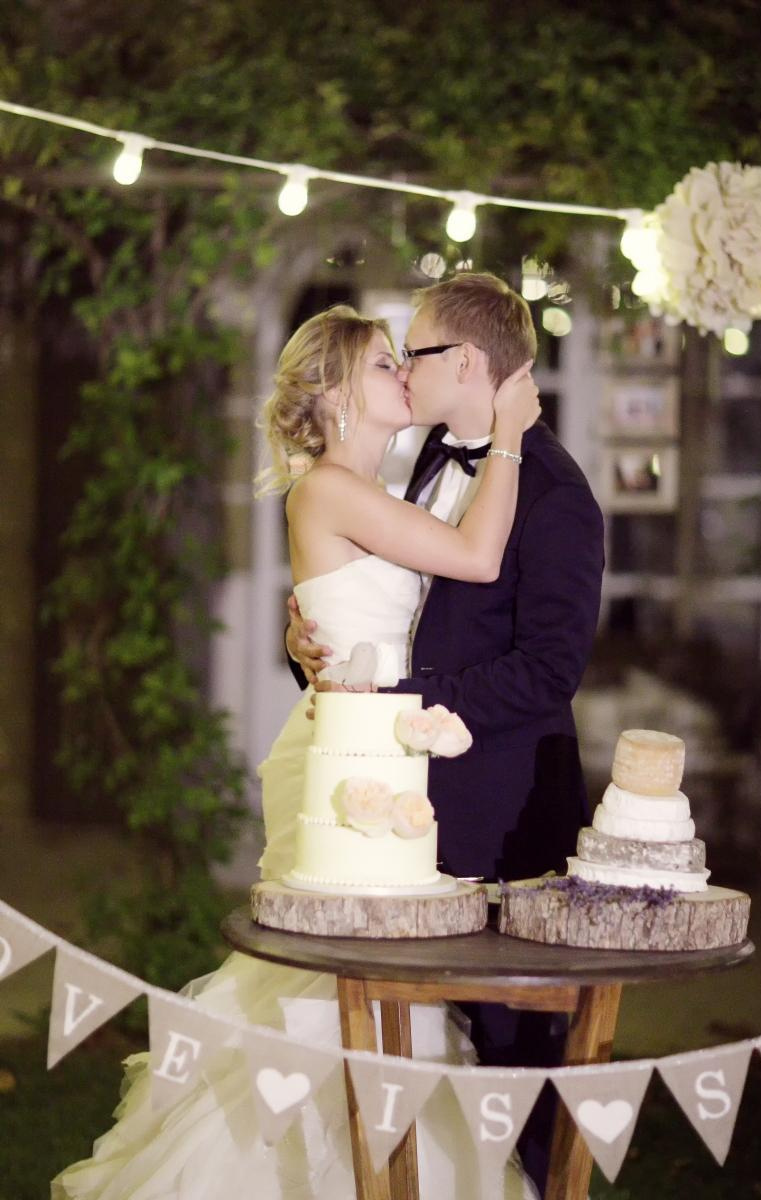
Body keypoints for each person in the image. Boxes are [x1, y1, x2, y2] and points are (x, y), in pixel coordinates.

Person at [52, 304, 540, 1200]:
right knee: (328, 991)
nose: (402, 371)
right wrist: (509, 431)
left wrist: (305, 631)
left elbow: (384, 611)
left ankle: (378, 1163)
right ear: (335, 391)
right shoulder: (327, 488)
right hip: (349, 765)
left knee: (376, 983)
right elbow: (474, 558)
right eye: (383, 362)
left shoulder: (364, 490)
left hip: (379, 751)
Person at [287, 273, 605, 1194]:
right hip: (411, 813)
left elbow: (551, 671)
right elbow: (383, 610)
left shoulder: (554, 494)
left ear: (462, 361)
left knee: (514, 1069)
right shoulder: (423, 460)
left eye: (411, 352)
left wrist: (410, 703)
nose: (401, 367)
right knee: (419, 1061)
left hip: (506, 819)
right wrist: (307, 638)